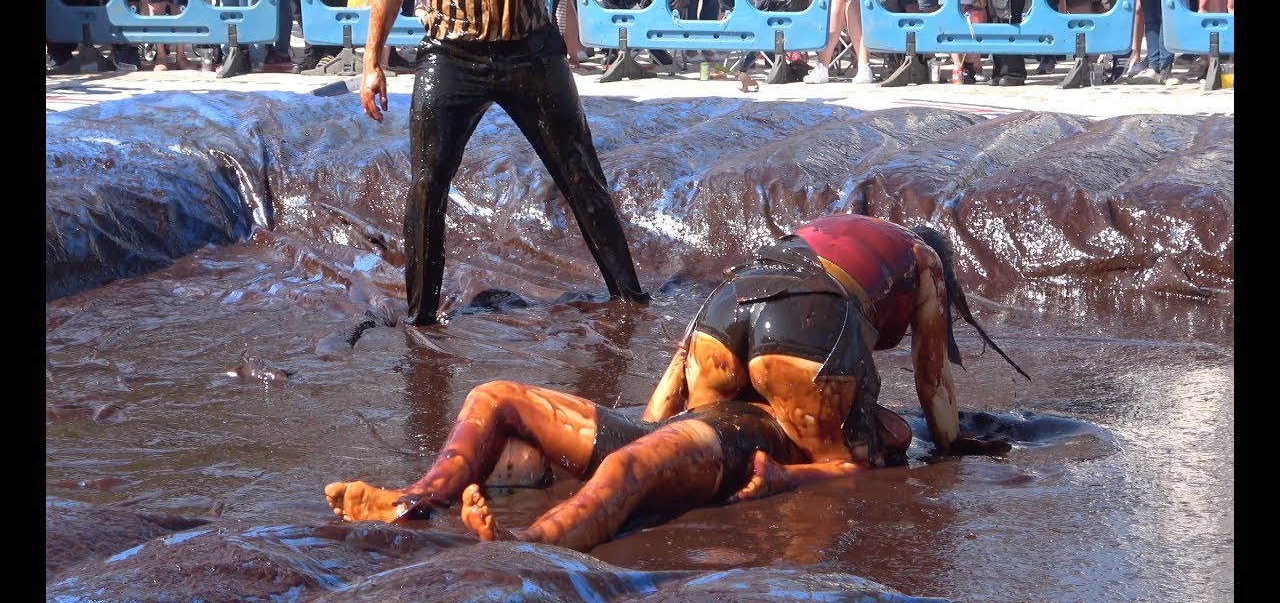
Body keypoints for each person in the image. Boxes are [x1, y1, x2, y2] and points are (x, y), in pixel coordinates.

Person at [324, 214, 1023, 551]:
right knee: (626, 448)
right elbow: (933, 392)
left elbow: (683, 362)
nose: (889, 423)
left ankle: (502, 529)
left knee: (498, 399)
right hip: (801, 333)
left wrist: (657, 412)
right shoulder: (922, 262)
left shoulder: (837, 236)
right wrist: (943, 443)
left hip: (726, 312)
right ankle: (428, 505)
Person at [359, 0, 651, 327]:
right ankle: (420, 318)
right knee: (427, 185)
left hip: (528, 46)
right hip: (451, 50)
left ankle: (630, 295)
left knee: (581, 173)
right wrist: (371, 61)